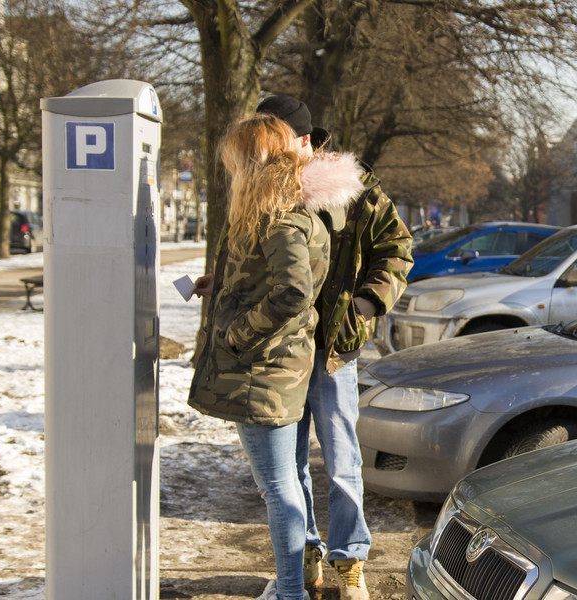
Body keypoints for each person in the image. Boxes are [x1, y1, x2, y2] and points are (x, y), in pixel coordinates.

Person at [188, 113, 366, 600]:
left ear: (251, 161)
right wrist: (222, 287)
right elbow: (269, 279)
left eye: (233, 163)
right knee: (284, 482)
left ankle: (291, 592)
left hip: (263, 370)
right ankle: (293, 586)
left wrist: (238, 335)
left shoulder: (280, 213)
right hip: (272, 366)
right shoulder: (278, 209)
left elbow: (292, 292)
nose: (229, 173)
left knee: (279, 487)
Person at [257, 97, 413, 600]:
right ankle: (304, 556)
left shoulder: (354, 188)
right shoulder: (266, 186)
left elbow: (398, 249)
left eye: (275, 139)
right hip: (281, 354)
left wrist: (365, 308)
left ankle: (349, 561)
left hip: (332, 351)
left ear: (303, 140)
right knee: (290, 465)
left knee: (343, 461)